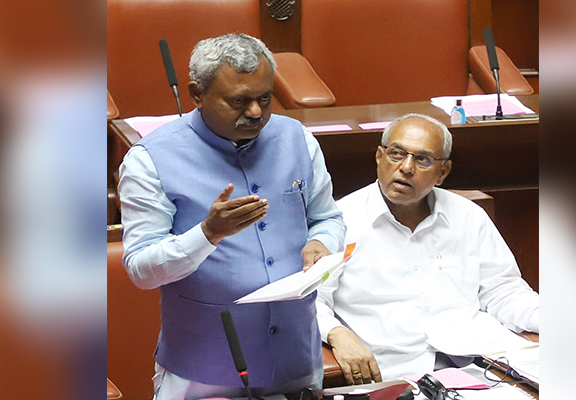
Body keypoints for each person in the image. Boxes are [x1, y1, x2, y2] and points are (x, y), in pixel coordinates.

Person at [118, 33, 345, 400]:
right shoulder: (150, 160)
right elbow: (142, 270)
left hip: (296, 357)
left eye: (264, 98)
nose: (255, 112)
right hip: (203, 369)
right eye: (239, 101)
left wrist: (321, 242)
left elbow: (327, 218)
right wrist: (208, 233)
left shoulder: (297, 139)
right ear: (197, 94)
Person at [316, 114, 539, 385]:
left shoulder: (468, 216)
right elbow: (312, 300)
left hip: (481, 364)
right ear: (379, 157)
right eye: (396, 153)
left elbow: (503, 291)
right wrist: (336, 333)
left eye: (422, 159)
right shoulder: (340, 222)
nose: (406, 167)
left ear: (443, 172)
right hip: (395, 373)